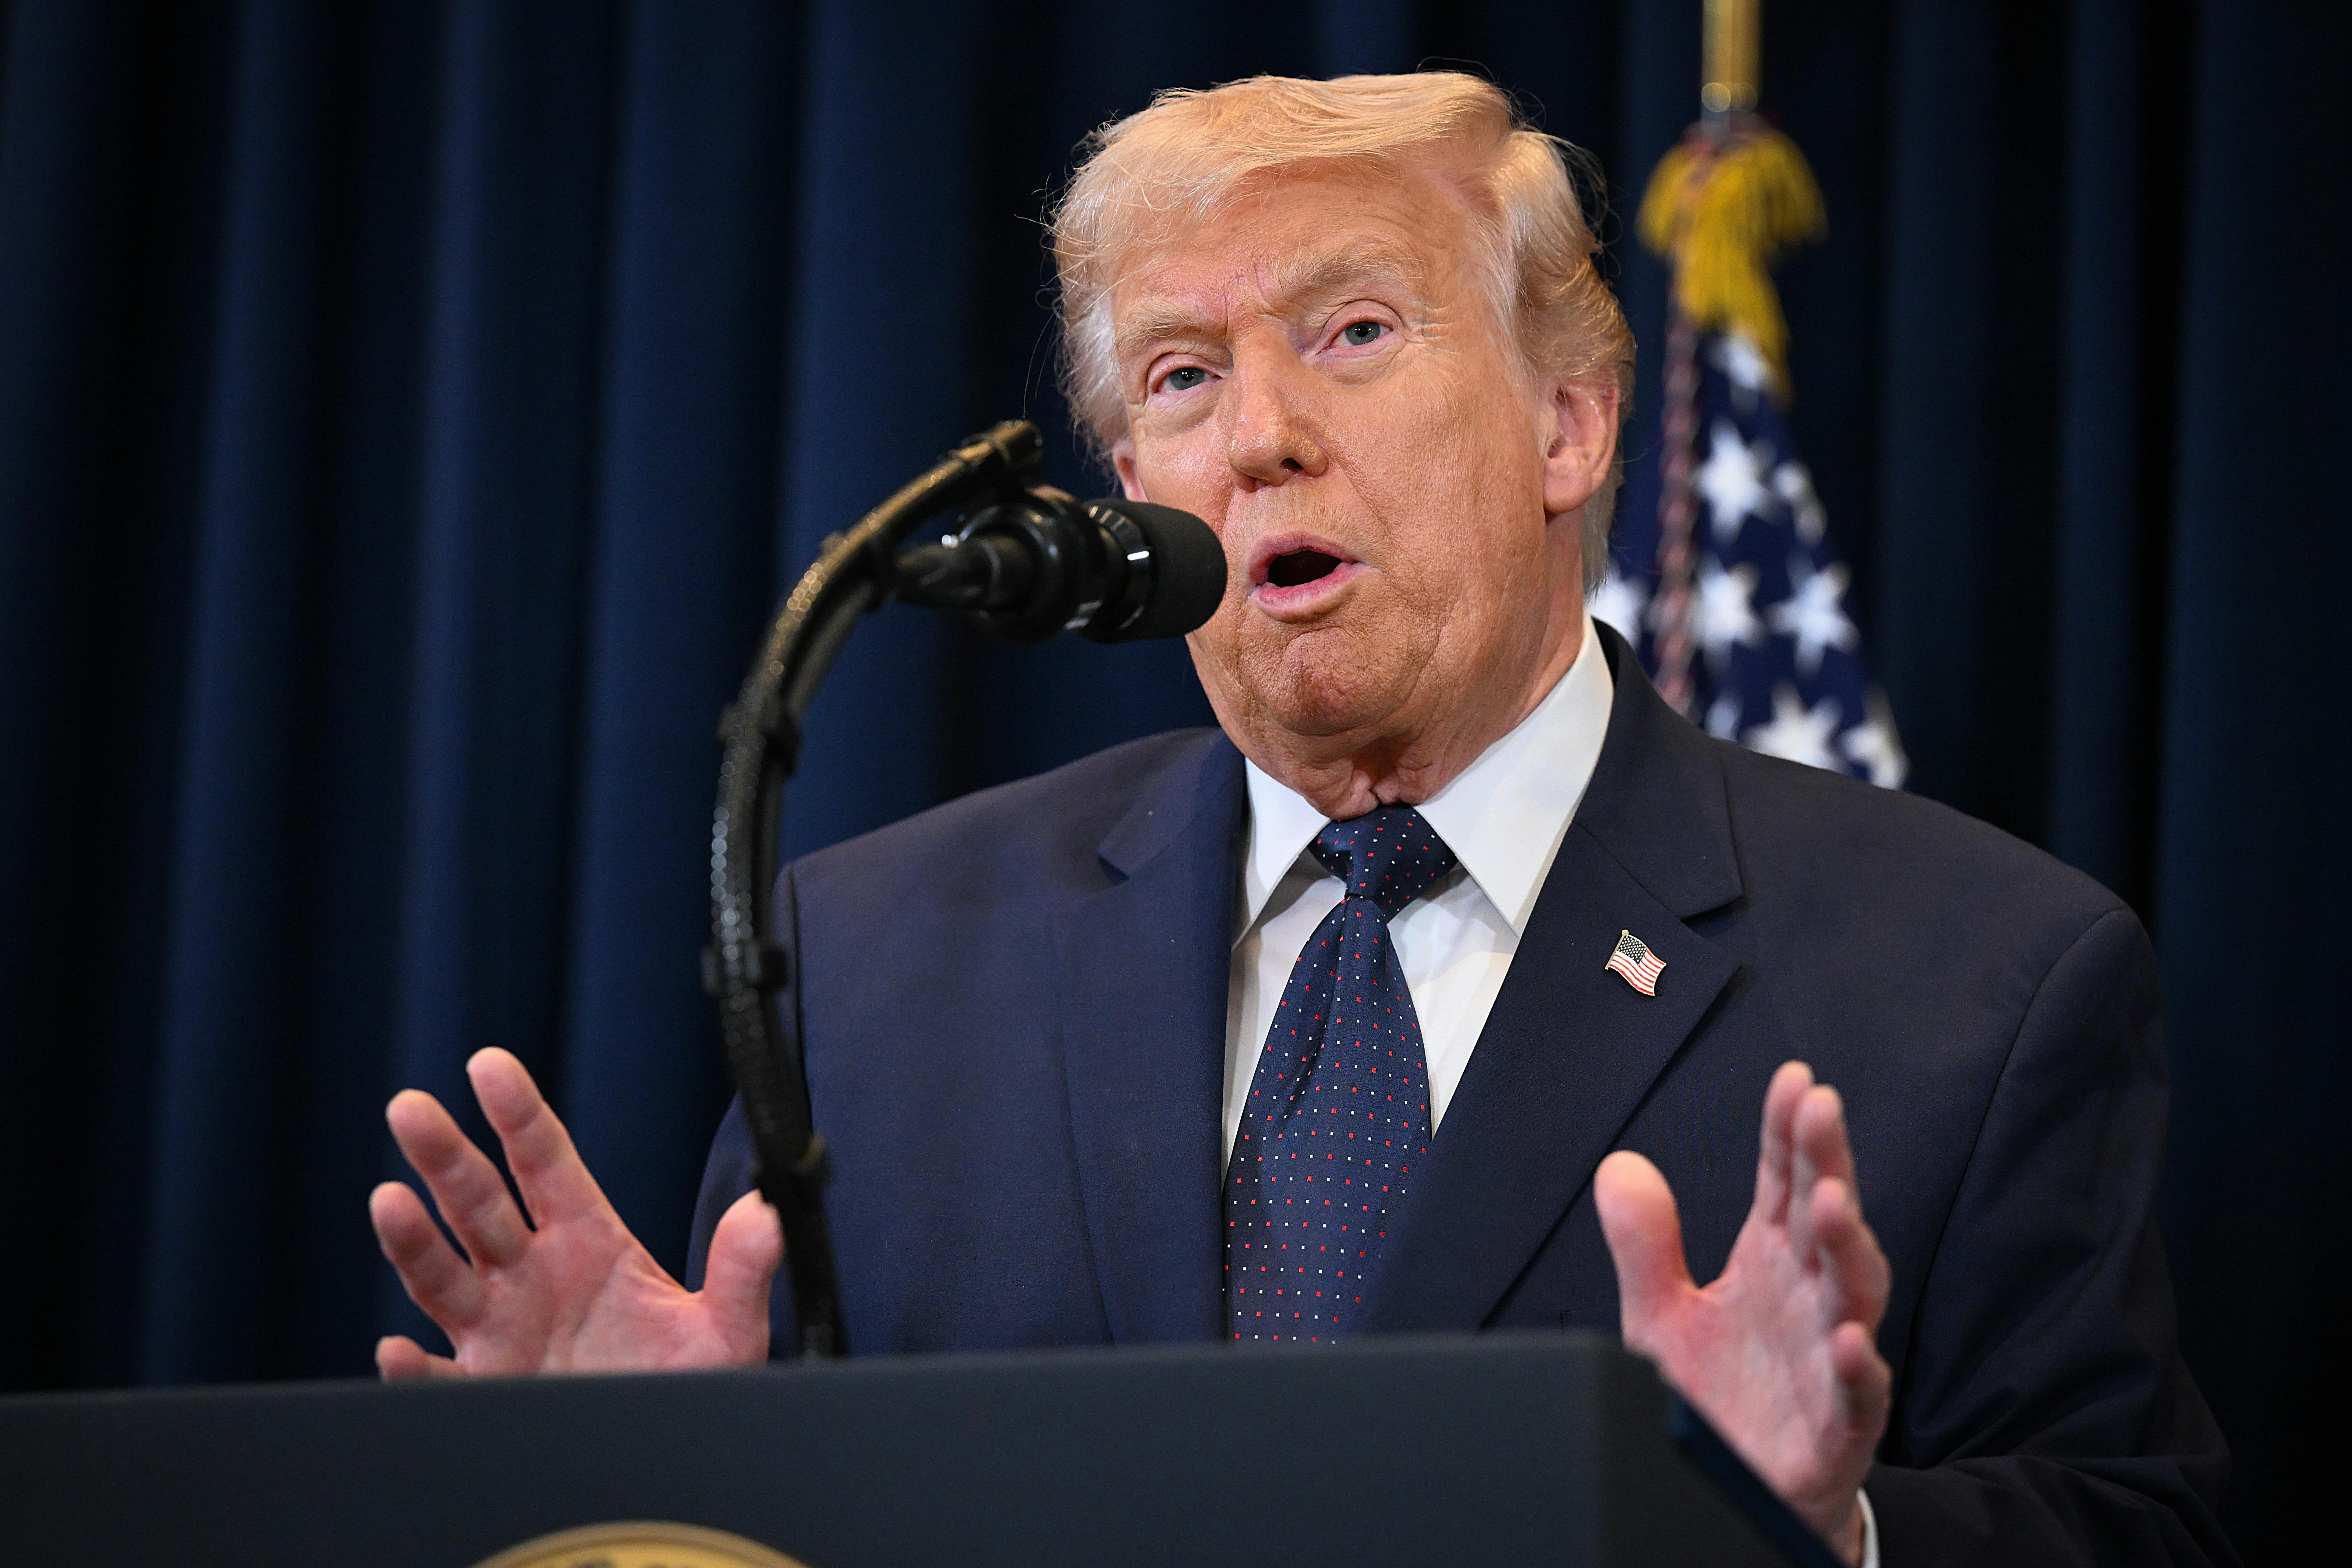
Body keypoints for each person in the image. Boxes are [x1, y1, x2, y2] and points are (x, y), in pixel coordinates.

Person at [368, 73, 2234, 1567]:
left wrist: (1828, 1532)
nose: (1257, 434)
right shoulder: (876, 966)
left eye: (1351, 330)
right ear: (1134, 491)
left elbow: (2137, 1529)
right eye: (1184, 376)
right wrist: (667, 1494)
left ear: (1571, 424)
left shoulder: (1982, 984)